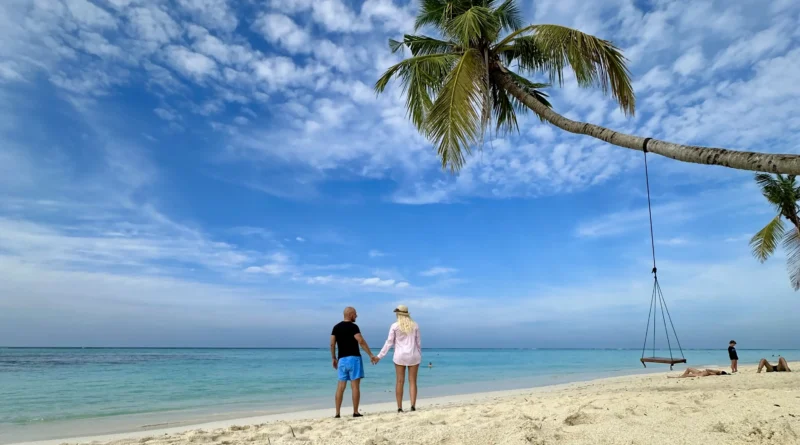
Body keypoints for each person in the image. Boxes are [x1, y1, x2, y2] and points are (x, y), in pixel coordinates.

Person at [330, 307, 378, 418]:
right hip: (354, 359)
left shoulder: (336, 327)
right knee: (355, 387)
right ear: (350, 314)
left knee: (341, 386)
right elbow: (360, 340)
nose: (356, 316)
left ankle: (337, 413)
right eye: (355, 314)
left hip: (342, 359)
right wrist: (370, 355)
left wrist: (333, 358)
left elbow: (332, 344)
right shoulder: (353, 327)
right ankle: (355, 412)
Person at [375, 305, 422, 413]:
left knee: (400, 381)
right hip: (413, 355)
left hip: (400, 355)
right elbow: (418, 342)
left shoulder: (394, 326)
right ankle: (413, 405)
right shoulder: (415, 325)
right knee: (413, 381)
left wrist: (379, 356)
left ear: (398, 314)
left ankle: (400, 407)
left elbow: (389, 342)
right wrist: (419, 353)